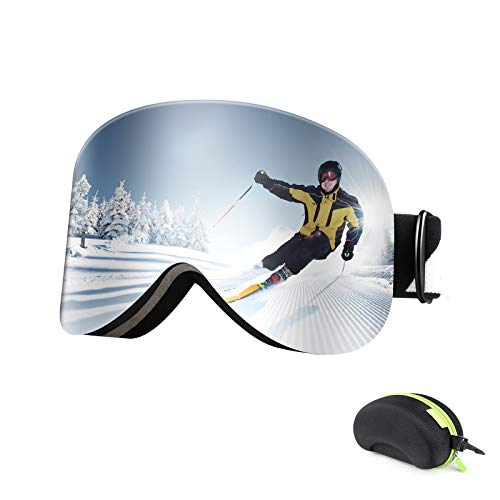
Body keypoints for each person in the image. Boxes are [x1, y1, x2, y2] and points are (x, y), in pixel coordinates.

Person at [254, 160, 364, 286]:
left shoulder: (347, 202)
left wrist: (349, 245)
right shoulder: (311, 194)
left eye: (331, 176)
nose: (327, 181)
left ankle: (284, 273)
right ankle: (260, 269)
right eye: (323, 177)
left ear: (338, 178)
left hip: (325, 242)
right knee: (285, 250)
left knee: (312, 243)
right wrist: (267, 182)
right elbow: (289, 190)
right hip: (304, 235)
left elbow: (357, 225)